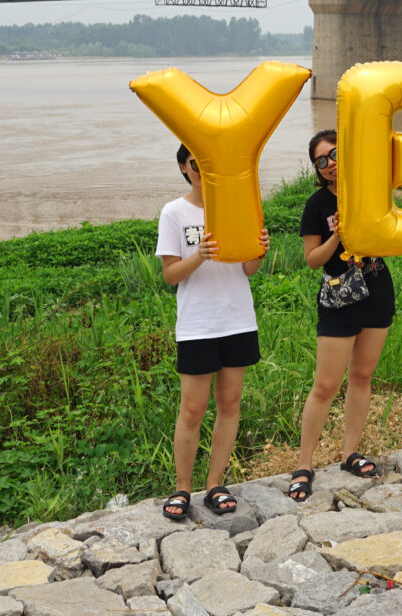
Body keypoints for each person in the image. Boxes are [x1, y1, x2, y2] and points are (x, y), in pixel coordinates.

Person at [155, 143, 270, 521]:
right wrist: (199, 255)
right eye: (195, 164)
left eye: (209, 163)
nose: (203, 170)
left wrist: (259, 251)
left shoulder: (238, 207)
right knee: (192, 408)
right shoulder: (174, 212)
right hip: (198, 324)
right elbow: (171, 275)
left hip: (237, 319)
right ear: (184, 169)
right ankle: (183, 487)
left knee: (230, 403)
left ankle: (215, 484)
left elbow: (248, 270)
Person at [287, 128, 394, 498]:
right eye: (322, 160)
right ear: (316, 168)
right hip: (339, 295)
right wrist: (339, 233)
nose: (330, 163)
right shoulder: (316, 205)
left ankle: (350, 452)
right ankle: (303, 465)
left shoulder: (370, 190)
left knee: (362, 376)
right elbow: (313, 259)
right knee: (326, 385)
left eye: (334, 154)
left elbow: (389, 234)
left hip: (377, 290)